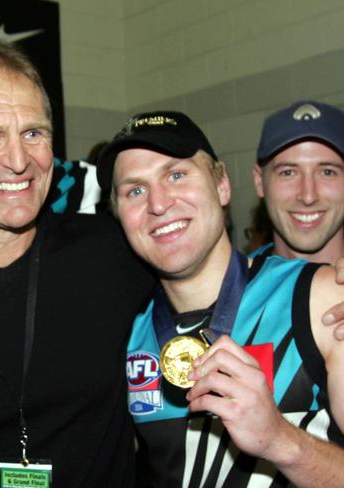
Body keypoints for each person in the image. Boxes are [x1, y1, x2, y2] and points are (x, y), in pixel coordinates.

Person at [0, 37, 154, 487]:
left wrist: (316, 266)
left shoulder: (114, 252)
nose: (18, 161)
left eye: (33, 133)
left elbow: (212, 277)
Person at [97, 110, 344, 486]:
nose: (159, 204)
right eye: (135, 190)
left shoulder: (320, 300)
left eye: (176, 175)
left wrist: (280, 440)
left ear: (222, 184)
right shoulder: (129, 334)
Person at [254, 100, 344, 265]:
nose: (308, 196)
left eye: (327, 172)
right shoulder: (233, 284)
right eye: (288, 173)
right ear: (259, 181)